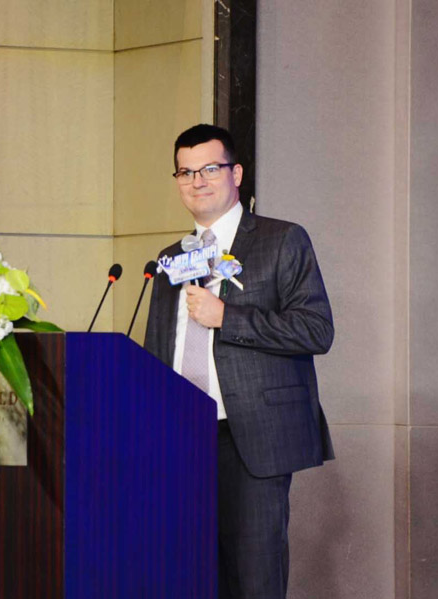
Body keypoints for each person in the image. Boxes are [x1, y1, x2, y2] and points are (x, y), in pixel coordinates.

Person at [144, 124, 334, 598]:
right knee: (191, 578)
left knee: (254, 580)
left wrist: (227, 317)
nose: (197, 181)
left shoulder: (281, 239)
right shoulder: (170, 258)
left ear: (237, 173)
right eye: (186, 172)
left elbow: (316, 329)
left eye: (210, 169)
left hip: (250, 436)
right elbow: (159, 347)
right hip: (181, 440)